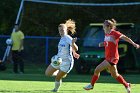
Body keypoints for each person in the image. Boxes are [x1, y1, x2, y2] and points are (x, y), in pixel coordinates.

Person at [83, 19, 139, 93]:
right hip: (108, 57)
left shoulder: (115, 33)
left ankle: (91, 85)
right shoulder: (106, 34)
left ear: (109, 26)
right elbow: (109, 43)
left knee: (97, 69)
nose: (103, 28)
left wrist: (134, 44)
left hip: (113, 57)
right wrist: (103, 44)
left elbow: (125, 37)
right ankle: (127, 85)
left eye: (104, 26)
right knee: (115, 75)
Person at [45, 19, 80, 92]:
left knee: (57, 78)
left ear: (66, 30)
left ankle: (55, 89)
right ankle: (61, 73)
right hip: (58, 60)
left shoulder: (68, 37)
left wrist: (73, 44)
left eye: (62, 30)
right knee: (47, 73)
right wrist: (73, 52)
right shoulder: (62, 38)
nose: (61, 32)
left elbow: (76, 48)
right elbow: (68, 48)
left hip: (67, 62)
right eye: (59, 30)